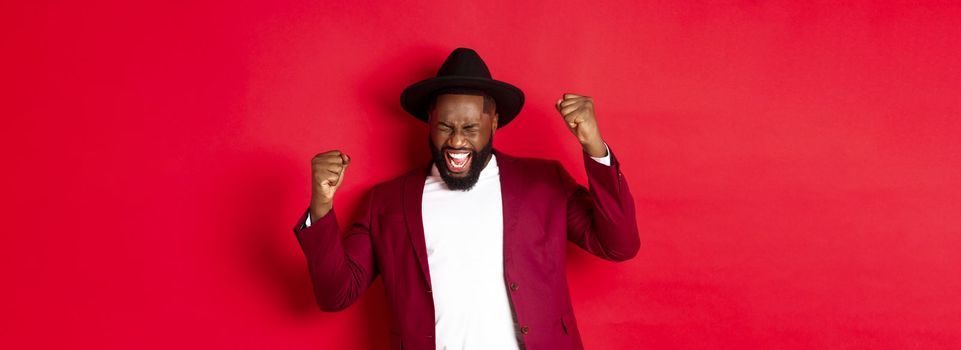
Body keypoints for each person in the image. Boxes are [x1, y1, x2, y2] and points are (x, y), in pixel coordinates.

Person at [292, 47, 639, 350]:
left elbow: (619, 245)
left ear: (494, 123)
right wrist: (321, 204)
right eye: (445, 127)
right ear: (429, 122)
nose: (457, 141)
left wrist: (594, 147)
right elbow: (336, 294)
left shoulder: (544, 182)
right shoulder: (385, 202)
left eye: (471, 128)